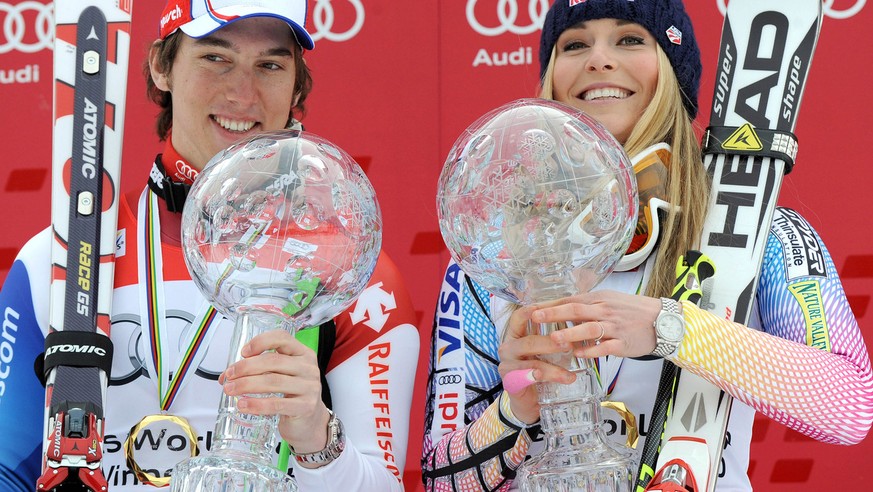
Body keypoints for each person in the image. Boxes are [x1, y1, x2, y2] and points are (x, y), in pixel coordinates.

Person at [421, 1, 873, 490]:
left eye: (630, 39)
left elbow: (848, 407)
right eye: (574, 44)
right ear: (550, 84)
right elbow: (439, 481)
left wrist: (670, 329)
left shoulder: (762, 234)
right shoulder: (492, 256)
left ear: (672, 75)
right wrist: (515, 412)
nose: (598, 59)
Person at [0, 1, 418, 491]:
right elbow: (9, 470)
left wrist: (315, 438)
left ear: (297, 85)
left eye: (270, 65)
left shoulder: (351, 275)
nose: (242, 92)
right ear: (161, 66)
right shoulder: (61, 259)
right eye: (215, 58)